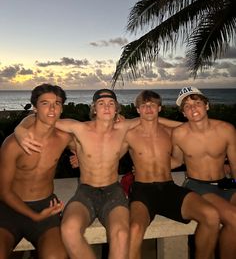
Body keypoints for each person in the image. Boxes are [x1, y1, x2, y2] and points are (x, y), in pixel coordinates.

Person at [15, 88, 181, 259]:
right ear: (94, 108)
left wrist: (187, 125)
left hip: (113, 192)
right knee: (69, 229)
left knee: (122, 234)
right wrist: (20, 130)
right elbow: (43, 118)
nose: (107, 107)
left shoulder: (123, 128)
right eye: (101, 104)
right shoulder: (79, 128)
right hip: (86, 191)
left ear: (117, 109)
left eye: (111, 104)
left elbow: (152, 118)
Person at [123, 90, 220, 259]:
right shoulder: (129, 133)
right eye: (143, 106)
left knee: (211, 215)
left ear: (159, 108)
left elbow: (178, 159)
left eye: (152, 105)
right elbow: (107, 152)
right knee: (134, 229)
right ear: (137, 109)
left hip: (169, 188)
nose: (148, 109)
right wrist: (81, 159)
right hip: (142, 191)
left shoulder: (171, 133)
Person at [0, 84, 76, 259]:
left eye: (57, 103)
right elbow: (3, 192)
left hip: (46, 206)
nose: (52, 108)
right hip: (9, 208)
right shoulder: (13, 144)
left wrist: (79, 156)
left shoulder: (64, 138)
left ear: (62, 108)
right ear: (35, 107)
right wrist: (34, 216)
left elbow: (91, 145)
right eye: (45, 103)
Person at [172, 86, 236, 259]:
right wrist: (149, 165)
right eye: (187, 106)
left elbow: (234, 164)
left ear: (206, 105)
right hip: (198, 186)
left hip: (225, 184)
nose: (193, 108)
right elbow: (177, 160)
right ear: (183, 113)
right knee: (234, 218)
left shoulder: (226, 130)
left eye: (197, 103)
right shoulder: (179, 134)